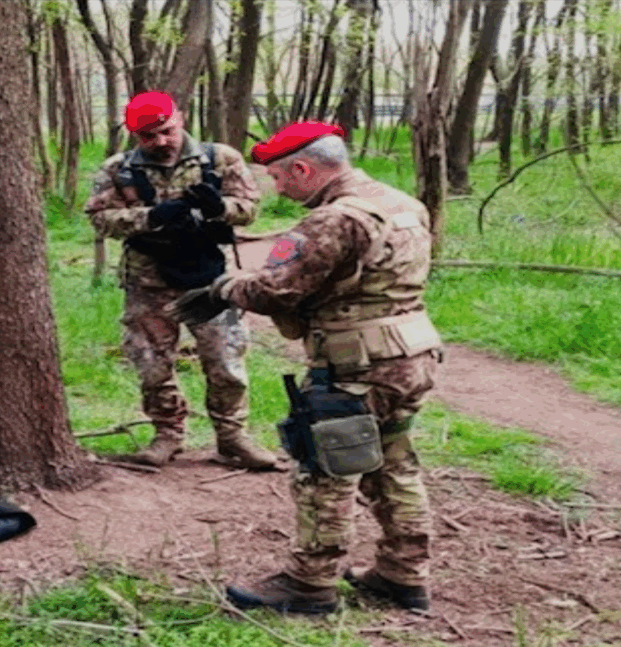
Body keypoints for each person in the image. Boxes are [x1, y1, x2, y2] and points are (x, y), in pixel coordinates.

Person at [169, 122, 443, 614]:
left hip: (355, 362)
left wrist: (224, 288)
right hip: (412, 354)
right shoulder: (402, 203)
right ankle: (404, 574)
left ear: (303, 168)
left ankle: (309, 584)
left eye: (279, 176)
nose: (277, 187)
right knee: (395, 463)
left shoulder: (332, 221)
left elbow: (277, 288)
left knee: (326, 470)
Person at [84, 91, 279, 470]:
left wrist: (219, 208)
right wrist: (153, 217)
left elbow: (250, 208)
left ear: (181, 118)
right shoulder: (118, 169)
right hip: (149, 280)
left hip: (210, 279)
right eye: (148, 137)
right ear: (133, 134)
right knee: (152, 363)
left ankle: (232, 436)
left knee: (225, 361)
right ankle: (167, 434)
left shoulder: (219, 158)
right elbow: (100, 218)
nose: (159, 142)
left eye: (166, 131)